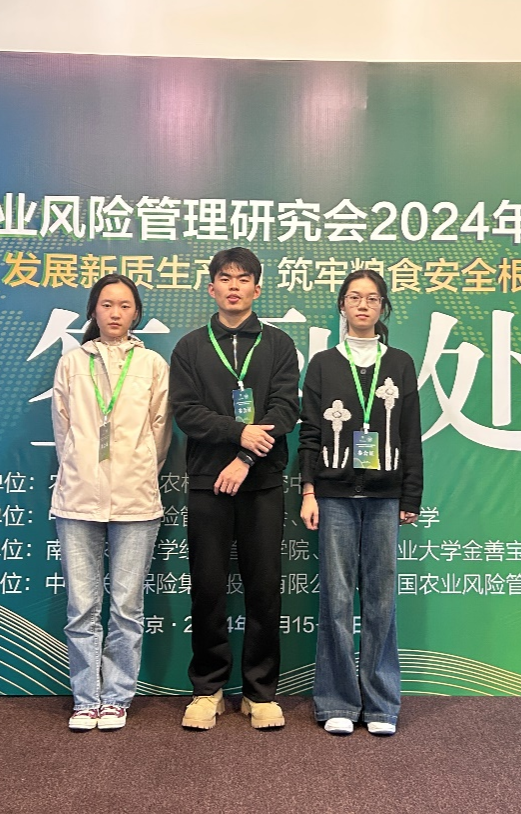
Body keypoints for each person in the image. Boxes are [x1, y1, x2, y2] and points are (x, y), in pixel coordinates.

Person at [169, 247, 300, 730]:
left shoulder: (279, 344)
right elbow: (187, 413)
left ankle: (260, 693)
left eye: (243, 279)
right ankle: (208, 690)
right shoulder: (190, 347)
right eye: (225, 278)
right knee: (207, 589)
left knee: (264, 589)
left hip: (261, 482)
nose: (234, 286)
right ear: (211, 288)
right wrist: (238, 433)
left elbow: (286, 409)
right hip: (208, 482)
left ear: (257, 289)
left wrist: (246, 456)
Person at [299, 269, 422, 737]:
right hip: (334, 495)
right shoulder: (324, 364)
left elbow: (410, 434)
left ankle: (381, 705)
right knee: (335, 598)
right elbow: (310, 433)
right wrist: (308, 490)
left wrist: (411, 495)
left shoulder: (401, 363)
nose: (363, 305)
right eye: (354, 297)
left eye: (372, 298)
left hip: (385, 496)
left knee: (381, 599)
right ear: (342, 306)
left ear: (382, 306)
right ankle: (336, 701)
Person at [50, 273, 171, 732]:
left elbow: (160, 431)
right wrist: (82, 465)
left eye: (124, 305)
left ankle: (117, 698)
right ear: (93, 311)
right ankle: (86, 699)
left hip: (135, 500)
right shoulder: (71, 363)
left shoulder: (153, 364)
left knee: (126, 607)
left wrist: (136, 469)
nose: (115, 313)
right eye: (106, 304)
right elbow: (63, 429)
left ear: (136, 313)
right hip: (77, 499)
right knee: (81, 608)